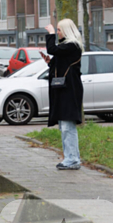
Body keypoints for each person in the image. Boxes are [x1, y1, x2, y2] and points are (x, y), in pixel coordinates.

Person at [46, 19, 84, 171]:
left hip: (70, 90)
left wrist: (50, 34)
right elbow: (59, 63)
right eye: (57, 30)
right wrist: (50, 62)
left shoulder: (72, 46)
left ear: (67, 30)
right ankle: (70, 157)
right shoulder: (67, 47)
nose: (58, 33)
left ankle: (73, 159)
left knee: (68, 126)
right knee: (64, 126)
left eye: (59, 30)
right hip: (64, 90)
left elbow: (51, 49)